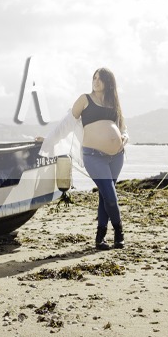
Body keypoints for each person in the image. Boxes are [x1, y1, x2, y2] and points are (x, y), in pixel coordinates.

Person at [36, 67, 128, 250]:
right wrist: (48, 140)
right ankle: (119, 231)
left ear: (109, 82)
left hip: (116, 156)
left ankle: (100, 237)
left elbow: (123, 126)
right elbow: (66, 124)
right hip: (93, 156)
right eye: (94, 78)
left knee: (105, 194)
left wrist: (124, 136)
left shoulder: (113, 101)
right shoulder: (85, 99)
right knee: (110, 195)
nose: (96, 81)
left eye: (100, 79)